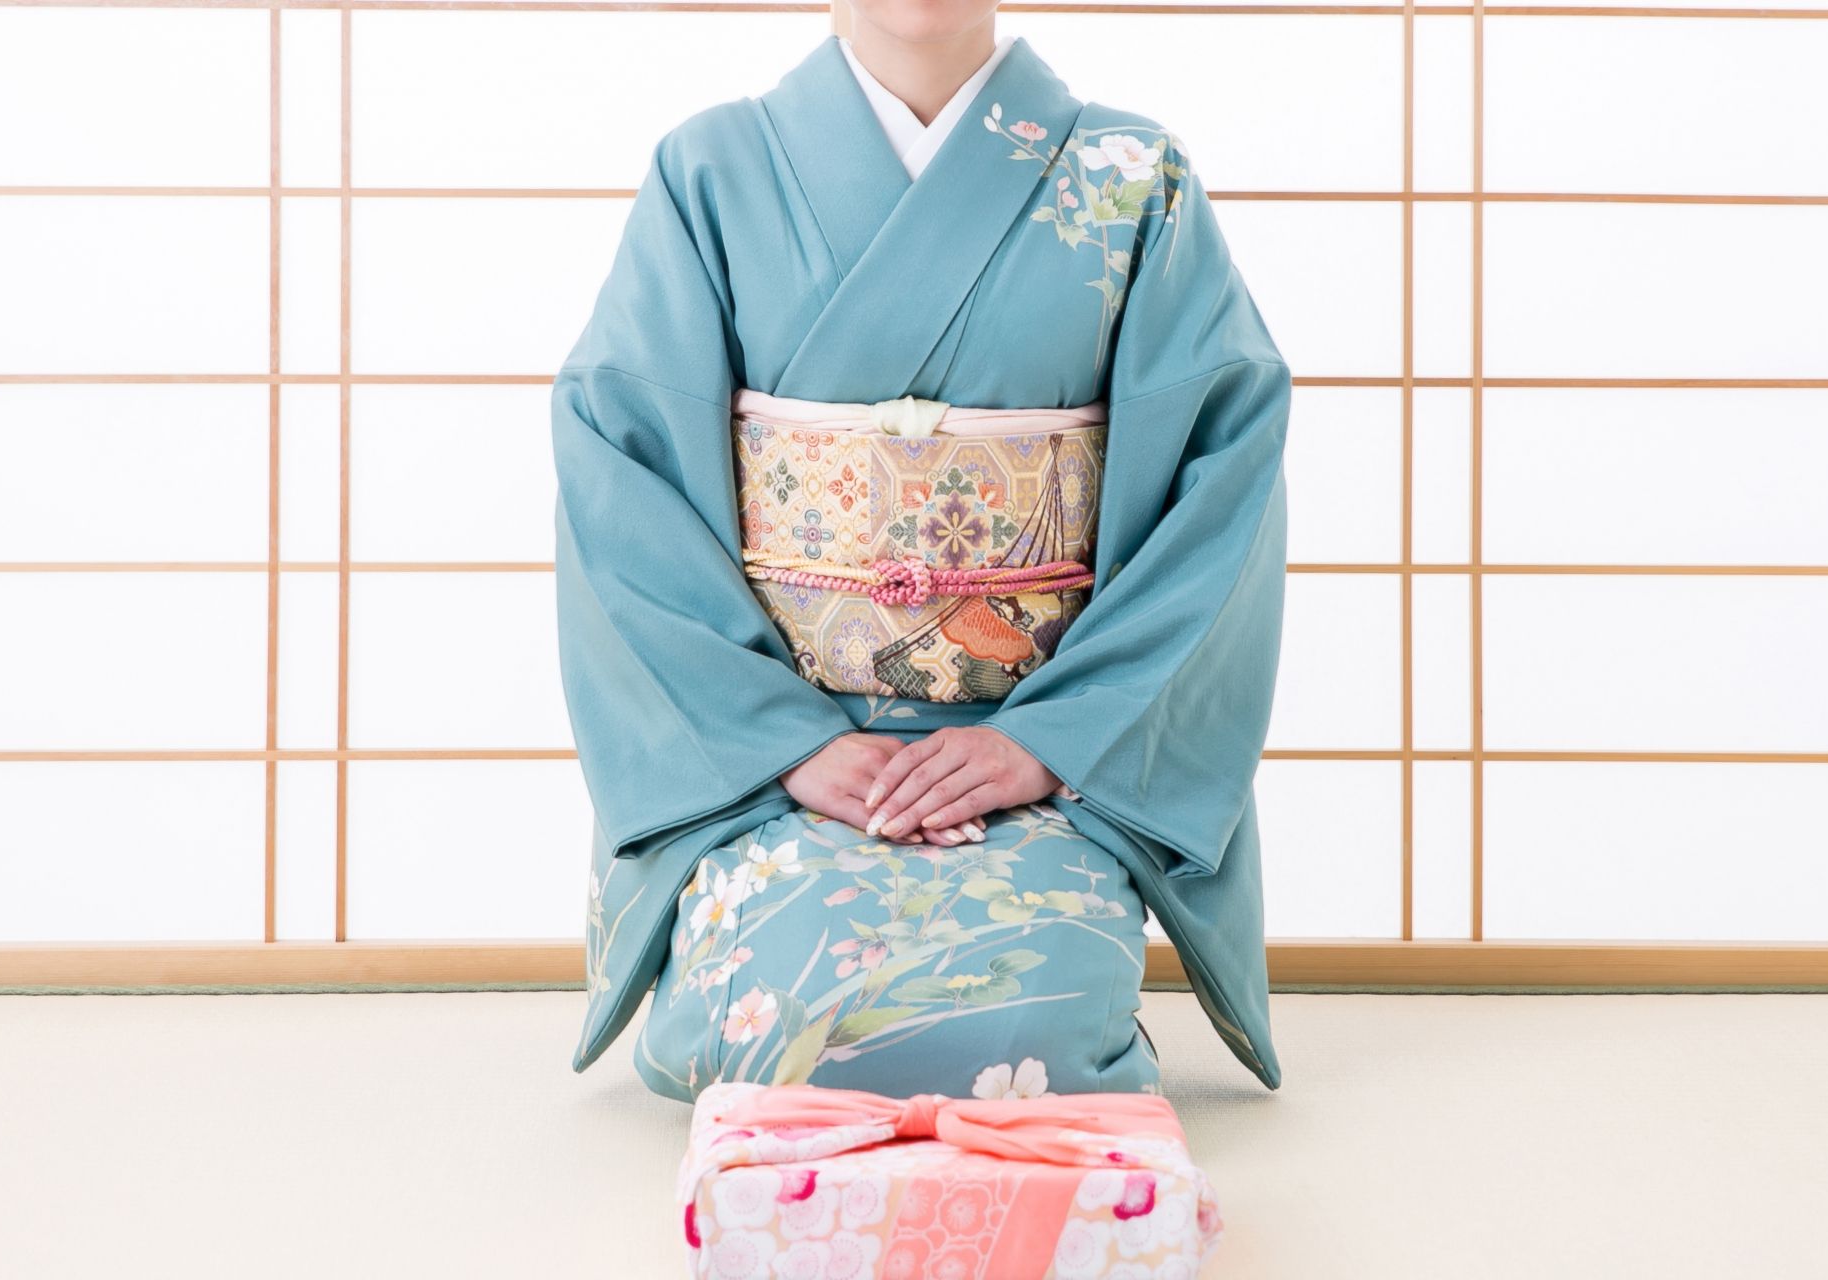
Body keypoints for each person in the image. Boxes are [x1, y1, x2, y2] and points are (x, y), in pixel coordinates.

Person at [551, 1, 1292, 1104]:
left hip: (1039, 762)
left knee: (1027, 1015)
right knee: (768, 1013)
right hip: (784, 769)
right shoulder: (710, 170)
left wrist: (1050, 740)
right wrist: (782, 744)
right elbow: (625, 472)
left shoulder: (1133, 178)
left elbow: (1219, 475)